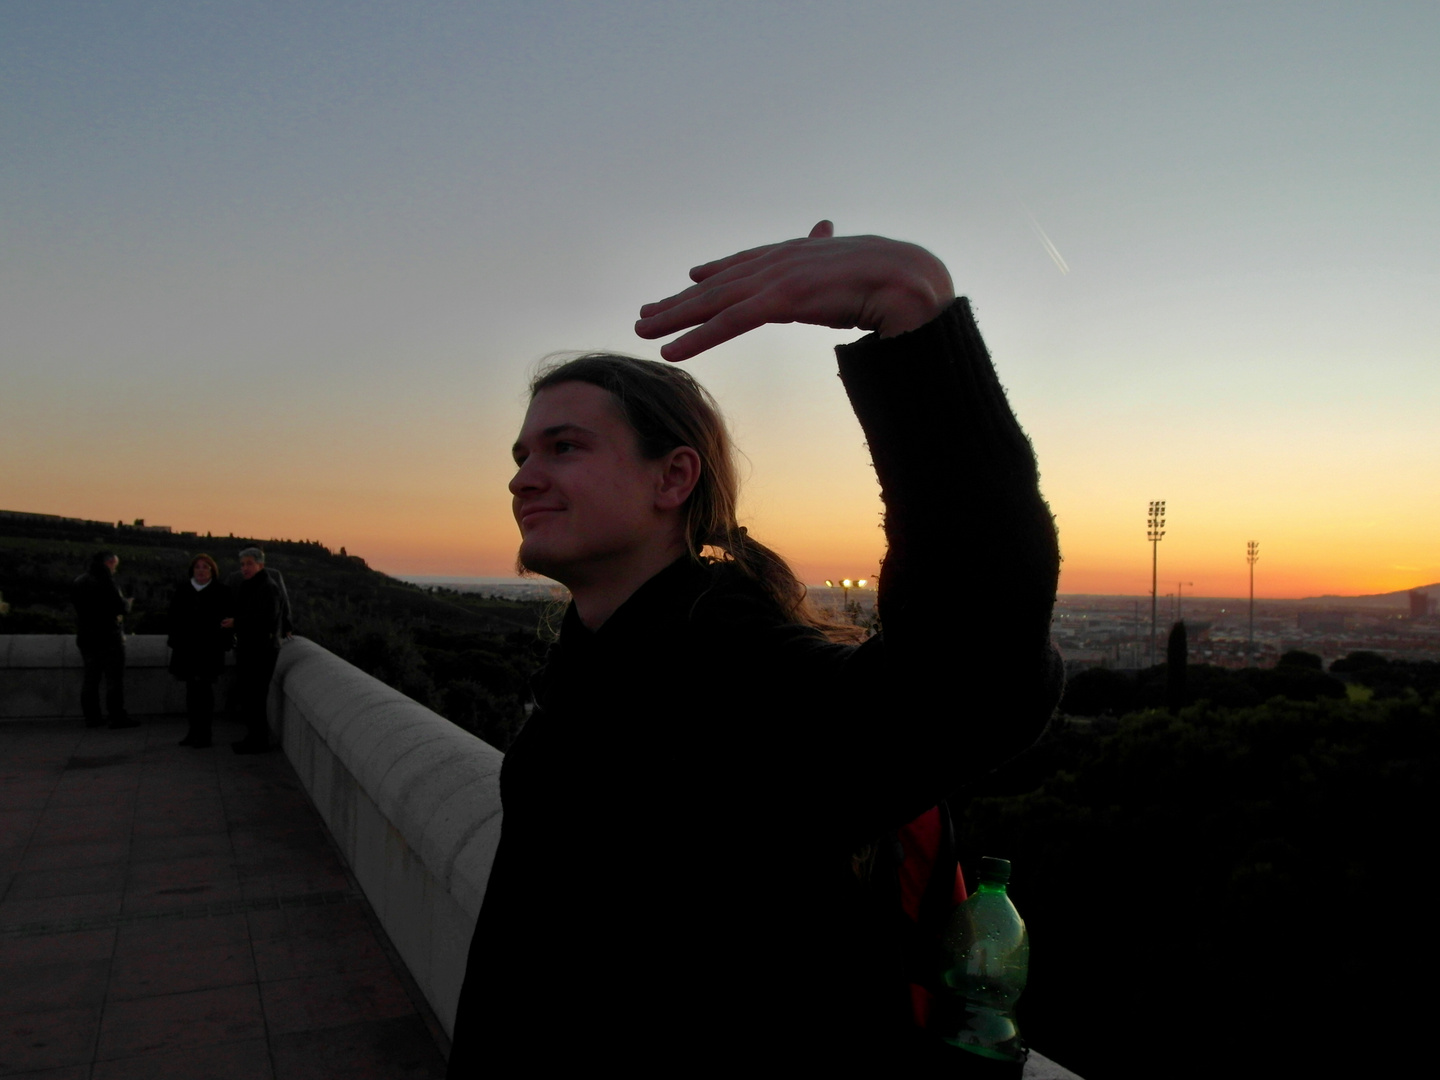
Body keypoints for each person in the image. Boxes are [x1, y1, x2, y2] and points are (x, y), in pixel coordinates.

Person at [446, 222, 1063, 1072]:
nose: (523, 476)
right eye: (520, 454)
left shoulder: (734, 674)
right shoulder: (589, 668)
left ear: (674, 478)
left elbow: (969, 683)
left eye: (564, 446)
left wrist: (912, 312)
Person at [225, 547, 293, 754]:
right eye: (243, 564)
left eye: (249, 564)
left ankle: (258, 741)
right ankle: (253, 738)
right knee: (250, 696)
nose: (245, 568)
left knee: (255, 696)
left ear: (260, 565)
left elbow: (266, 619)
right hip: (251, 648)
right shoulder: (253, 585)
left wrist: (237, 622)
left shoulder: (268, 587)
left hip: (261, 651)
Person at [167, 554, 234, 748]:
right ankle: (192, 731)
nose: (201, 570)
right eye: (198, 567)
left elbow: (227, 622)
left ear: (212, 570)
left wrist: (222, 643)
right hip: (186, 650)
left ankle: (205, 734)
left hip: (209, 651)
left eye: (205, 567)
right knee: (191, 692)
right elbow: (173, 618)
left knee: (204, 692)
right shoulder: (183, 590)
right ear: (193, 570)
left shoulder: (222, 591)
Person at [72, 551, 136, 729]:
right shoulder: (106, 581)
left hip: (86, 636)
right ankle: (117, 717)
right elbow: (119, 607)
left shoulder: (79, 581)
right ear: (109, 562)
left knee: (91, 679)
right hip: (109, 636)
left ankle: (92, 718)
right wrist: (128, 603)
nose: (115, 568)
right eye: (115, 564)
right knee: (114, 679)